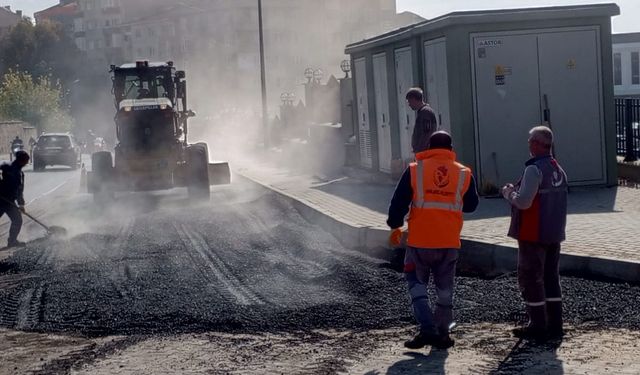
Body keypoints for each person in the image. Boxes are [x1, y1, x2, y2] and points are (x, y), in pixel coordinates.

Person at [387, 131, 479, 349]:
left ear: (429, 146)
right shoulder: (464, 173)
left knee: (416, 284)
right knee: (445, 288)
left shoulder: (415, 170)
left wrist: (394, 225)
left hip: (420, 241)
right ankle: (443, 334)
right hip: (449, 242)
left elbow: (399, 201)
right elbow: (471, 206)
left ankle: (427, 329)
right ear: (450, 148)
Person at [501, 126, 568, 341]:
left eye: (530, 140)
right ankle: (555, 324)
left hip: (533, 233)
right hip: (554, 232)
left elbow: (523, 202)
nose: (528, 144)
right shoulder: (557, 169)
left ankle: (537, 324)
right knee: (551, 277)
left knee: (531, 277)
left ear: (538, 144)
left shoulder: (534, 169)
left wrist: (508, 193)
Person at [0, 150, 30, 248]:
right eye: (26, 161)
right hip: (2, 200)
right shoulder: (8, 168)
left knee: (17, 220)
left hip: (9, 202)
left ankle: (12, 242)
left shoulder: (18, 172)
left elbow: (19, 191)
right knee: (17, 220)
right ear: (22, 161)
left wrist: (21, 204)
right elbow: (19, 189)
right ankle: (12, 241)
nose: (27, 163)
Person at [406, 88, 438, 154]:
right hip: (424, 151)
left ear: (414, 99)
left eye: (409, 101)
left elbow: (426, 133)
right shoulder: (423, 112)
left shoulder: (425, 112)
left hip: (424, 152)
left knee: (421, 165)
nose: (409, 104)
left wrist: (419, 151)